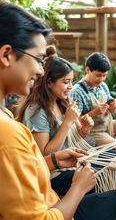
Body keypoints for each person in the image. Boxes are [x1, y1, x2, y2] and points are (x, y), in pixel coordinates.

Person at [0, 2, 116, 220]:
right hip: (54, 202)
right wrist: (78, 188)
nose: (40, 70)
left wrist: (57, 159)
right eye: (38, 59)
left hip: (54, 187)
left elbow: (28, 165)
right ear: (6, 55)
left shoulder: (10, 118)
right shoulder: (10, 131)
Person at [16, 46, 96, 196]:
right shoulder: (36, 110)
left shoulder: (63, 102)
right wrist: (67, 122)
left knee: (107, 168)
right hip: (52, 174)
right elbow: (44, 154)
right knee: (97, 178)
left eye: (71, 81)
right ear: (49, 82)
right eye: (66, 82)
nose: (70, 87)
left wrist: (84, 129)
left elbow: (73, 138)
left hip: (70, 165)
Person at [70, 52, 116, 154]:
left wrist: (113, 108)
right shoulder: (77, 92)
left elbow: (111, 113)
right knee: (115, 145)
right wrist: (94, 112)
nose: (101, 79)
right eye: (98, 75)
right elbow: (74, 123)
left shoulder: (102, 86)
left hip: (105, 124)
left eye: (104, 75)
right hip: (92, 130)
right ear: (87, 70)